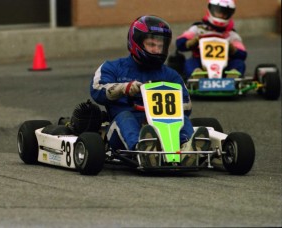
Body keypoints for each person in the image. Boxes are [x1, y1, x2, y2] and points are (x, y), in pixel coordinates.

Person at [90, 15, 207, 162]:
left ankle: (186, 149)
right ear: (136, 42)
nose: (157, 50)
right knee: (125, 117)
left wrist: (163, 102)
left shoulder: (170, 75)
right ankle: (142, 149)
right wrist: (124, 88)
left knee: (182, 119)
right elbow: (96, 89)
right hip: (122, 128)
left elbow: (187, 105)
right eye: (151, 45)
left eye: (160, 46)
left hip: (163, 127)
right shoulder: (113, 67)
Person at [176, 0, 247, 79]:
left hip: (224, 66)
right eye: (218, 11)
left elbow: (242, 54)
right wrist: (192, 42)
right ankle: (197, 76)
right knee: (190, 63)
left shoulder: (231, 34)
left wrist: (232, 49)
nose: (221, 15)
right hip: (201, 63)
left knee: (239, 63)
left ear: (230, 14)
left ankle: (231, 77)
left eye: (225, 13)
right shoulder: (198, 29)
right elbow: (180, 43)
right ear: (210, 9)